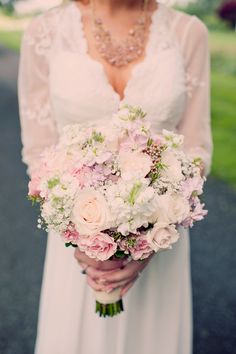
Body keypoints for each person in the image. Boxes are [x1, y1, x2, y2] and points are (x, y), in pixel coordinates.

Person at [18, 0, 212, 353]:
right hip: (78, 250)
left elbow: (197, 147)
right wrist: (85, 238)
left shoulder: (188, 32)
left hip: (161, 244)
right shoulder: (44, 33)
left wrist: (148, 240)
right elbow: (38, 150)